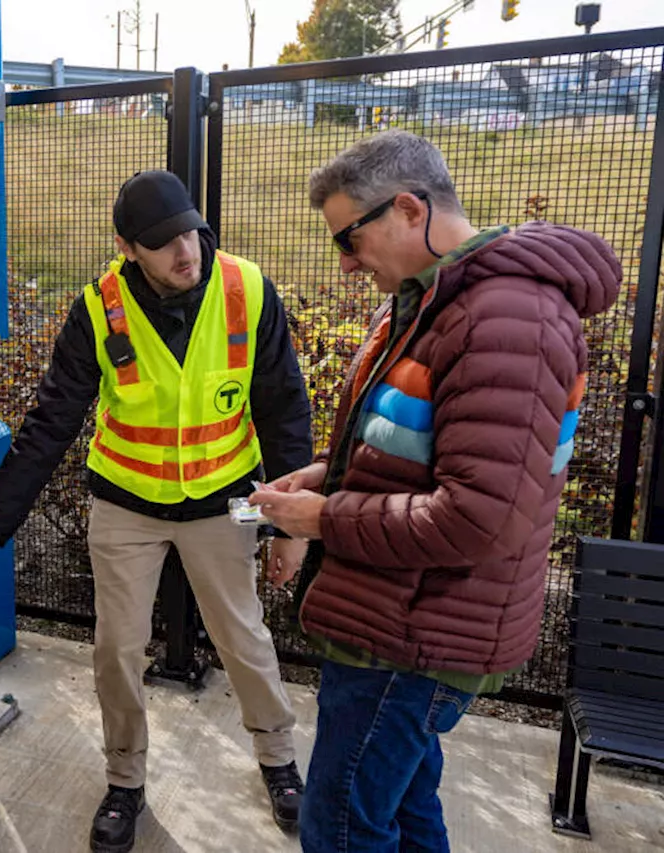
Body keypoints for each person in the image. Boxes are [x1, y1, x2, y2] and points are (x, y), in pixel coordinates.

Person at [249, 130, 622, 852]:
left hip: (415, 636)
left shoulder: (505, 317)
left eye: (350, 239)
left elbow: (480, 517)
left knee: (345, 826)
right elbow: (419, 444)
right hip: (396, 620)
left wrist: (325, 517)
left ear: (410, 209)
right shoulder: (430, 300)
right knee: (406, 806)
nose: (348, 264)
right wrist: (329, 471)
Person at [0, 170, 314, 851]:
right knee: (115, 648)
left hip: (224, 498)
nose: (185, 252)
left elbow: (285, 409)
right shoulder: (97, 308)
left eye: (190, 233)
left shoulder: (247, 290)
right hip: (126, 503)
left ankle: (280, 761)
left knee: (244, 638)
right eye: (164, 242)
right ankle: (125, 778)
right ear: (127, 246)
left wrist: (288, 524)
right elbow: (50, 426)